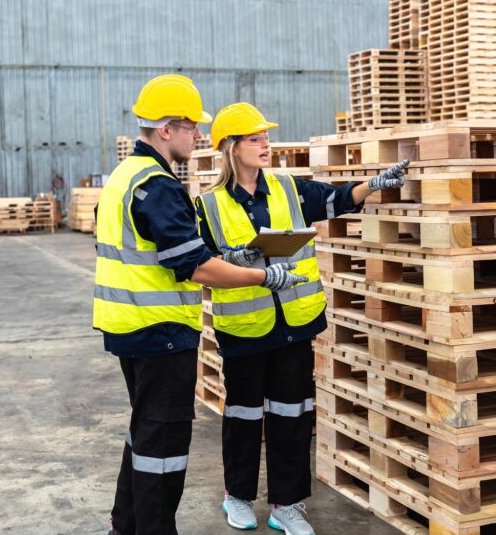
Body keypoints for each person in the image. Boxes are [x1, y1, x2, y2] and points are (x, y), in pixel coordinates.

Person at [95, 77, 309, 535]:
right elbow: (194, 266)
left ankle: (125, 525)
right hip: (159, 330)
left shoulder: (124, 176)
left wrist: (228, 257)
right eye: (193, 128)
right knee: (164, 447)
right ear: (167, 129)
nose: (199, 137)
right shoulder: (158, 185)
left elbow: (168, 251)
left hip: (130, 327)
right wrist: (262, 275)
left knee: (143, 435)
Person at [194, 102, 409, 535]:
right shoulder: (209, 205)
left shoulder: (288, 189)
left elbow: (335, 200)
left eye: (265, 137)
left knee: (292, 416)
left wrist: (373, 184)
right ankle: (237, 496)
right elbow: (200, 262)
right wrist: (234, 259)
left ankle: (287, 505)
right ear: (232, 148)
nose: (266, 144)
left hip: (293, 325)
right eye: (256, 139)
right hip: (246, 330)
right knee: (243, 417)